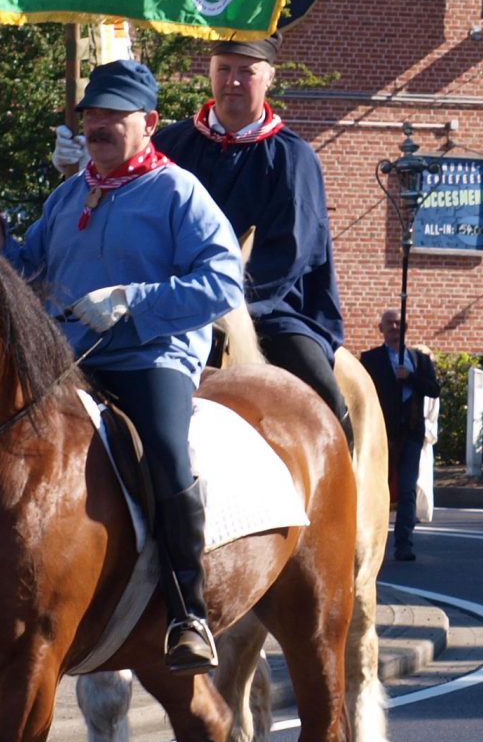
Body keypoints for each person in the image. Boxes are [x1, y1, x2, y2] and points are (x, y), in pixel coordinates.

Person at [0, 59, 243, 672]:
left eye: (115, 115)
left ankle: (187, 611)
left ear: (150, 123)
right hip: (67, 359)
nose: (98, 125)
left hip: (149, 357)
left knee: (166, 452)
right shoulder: (67, 196)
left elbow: (223, 283)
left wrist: (134, 300)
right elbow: (25, 275)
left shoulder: (178, 192)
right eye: (91, 115)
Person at [149, 32, 352, 439]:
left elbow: (291, 252)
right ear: (210, 73)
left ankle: (345, 457)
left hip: (266, 308)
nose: (233, 81)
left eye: (246, 71)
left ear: (269, 77)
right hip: (172, 299)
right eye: (224, 69)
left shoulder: (292, 157)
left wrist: (223, 300)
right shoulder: (168, 146)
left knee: (323, 392)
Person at [367, 308, 439, 562]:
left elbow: (434, 389)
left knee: (408, 490)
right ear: (381, 329)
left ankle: (404, 543)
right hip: (382, 433)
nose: (394, 328)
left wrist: (410, 378)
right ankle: (371, 544)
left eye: (398, 323)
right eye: (389, 324)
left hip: (410, 432)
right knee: (377, 489)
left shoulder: (419, 360)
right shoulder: (371, 359)